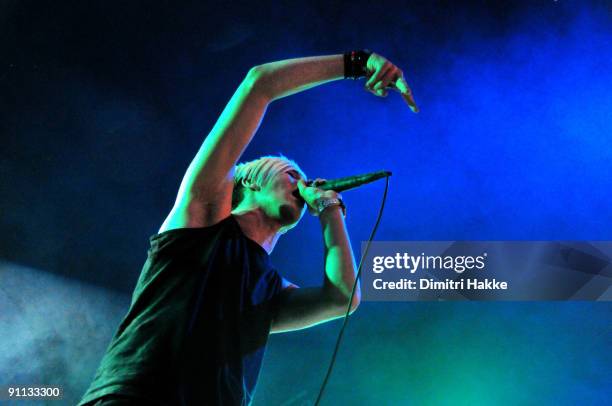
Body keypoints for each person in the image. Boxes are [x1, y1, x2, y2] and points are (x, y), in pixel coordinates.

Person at [78, 50, 418, 406]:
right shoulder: (202, 216)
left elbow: (343, 299)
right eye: (292, 176)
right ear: (253, 179)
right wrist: (359, 63)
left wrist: (330, 209)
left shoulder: (269, 291)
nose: (304, 186)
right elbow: (260, 83)